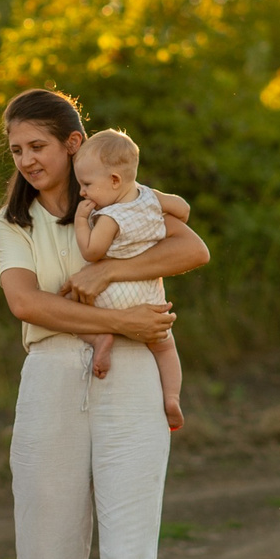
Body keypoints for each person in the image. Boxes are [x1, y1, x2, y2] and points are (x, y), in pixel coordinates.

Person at [0, 88, 208, 559]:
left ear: (74, 142)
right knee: (47, 553)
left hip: (134, 377)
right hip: (51, 377)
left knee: (129, 545)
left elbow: (192, 247)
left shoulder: (127, 195)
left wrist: (109, 270)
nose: (28, 160)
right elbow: (26, 303)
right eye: (17, 149)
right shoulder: (11, 220)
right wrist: (119, 320)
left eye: (40, 146)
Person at [72, 128, 192, 429]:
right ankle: (172, 397)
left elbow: (92, 252)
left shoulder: (110, 216)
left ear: (114, 181)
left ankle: (101, 338)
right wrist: (157, 200)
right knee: (166, 349)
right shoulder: (150, 198)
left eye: (86, 185)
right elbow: (184, 209)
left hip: (114, 297)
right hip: (150, 301)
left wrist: (79, 221)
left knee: (66, 304)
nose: (82, 192)